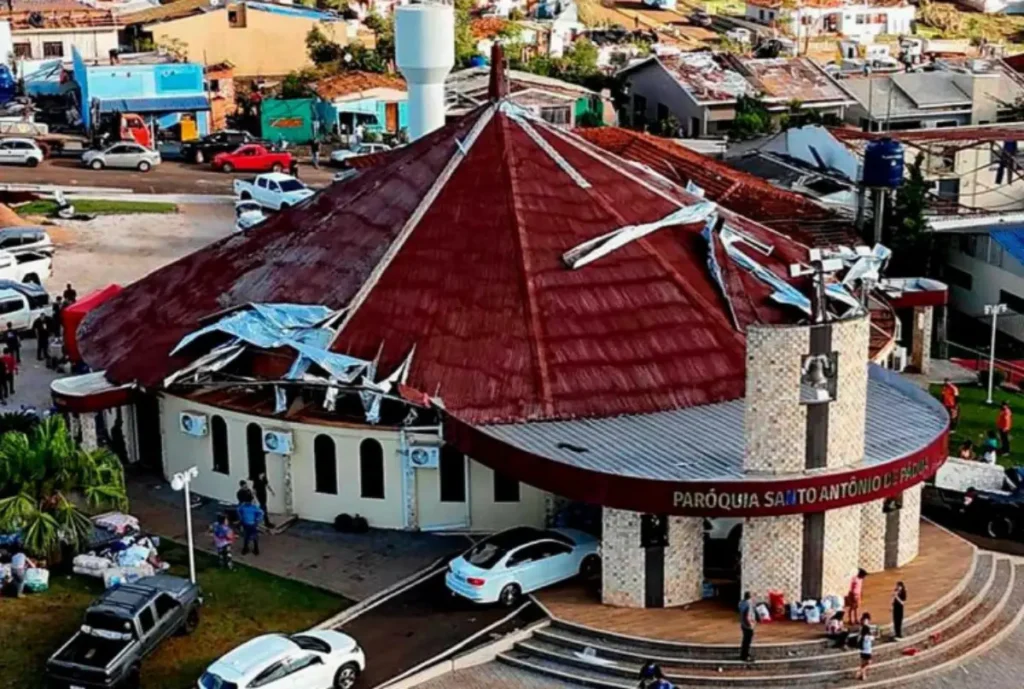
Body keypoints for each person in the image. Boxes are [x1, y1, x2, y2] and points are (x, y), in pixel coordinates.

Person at [854, 613, 875, 680]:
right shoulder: (868, 636)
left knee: (863, 663)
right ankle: (860, 671)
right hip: (867, 651)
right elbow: (873, 637)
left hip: (862, 650)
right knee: (868, 663)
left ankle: (863, 675)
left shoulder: (863, 635)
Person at [739, 590, 756, 662]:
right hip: (748, 625)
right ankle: (745, 656)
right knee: (747, 641)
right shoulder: (748, 604)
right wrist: (750, 624)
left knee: (745, 640)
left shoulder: (741, 603)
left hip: (743, 624)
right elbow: (747, 615)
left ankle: (744, 654)